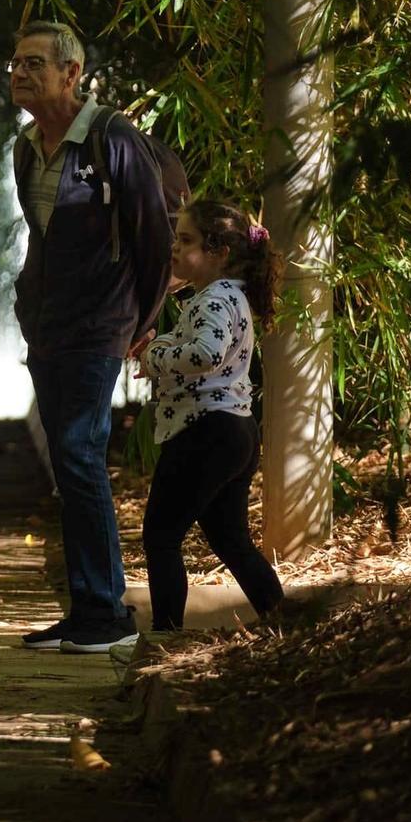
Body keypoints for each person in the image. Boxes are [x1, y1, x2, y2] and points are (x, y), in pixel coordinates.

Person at [8, 20, 171, 655]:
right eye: (15, 63)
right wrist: (27, 307)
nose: (20, 73)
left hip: (101, 323)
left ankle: (109, 614)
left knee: (79, 453)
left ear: (72, 73)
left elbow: (151, 238)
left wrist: (143, 318)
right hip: (49, 324)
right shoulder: (26, 147)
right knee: (68, 463)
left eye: (35, 64)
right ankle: (87, 610)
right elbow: (40, 238)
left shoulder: (112, 138)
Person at [124, 200, 285, 646]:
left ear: (220, 253)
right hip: (235, 430)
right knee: (230, 537)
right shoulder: (227, 297)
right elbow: (201, 346)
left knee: (161, 534)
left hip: (205, 432)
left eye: (187, 240)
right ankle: (282, 617)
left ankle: (167, 635)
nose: (174, 248)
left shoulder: (215, 298)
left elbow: (204, 354)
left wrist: (156, 357)